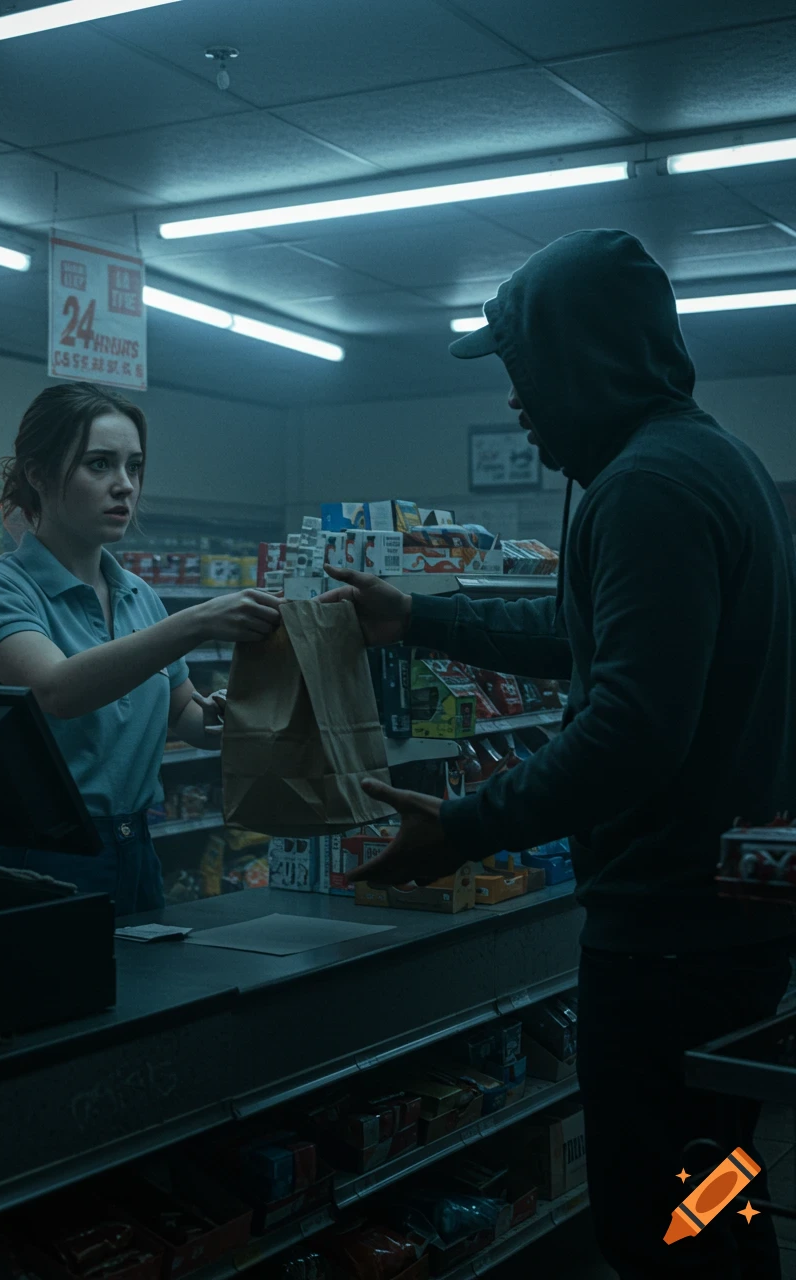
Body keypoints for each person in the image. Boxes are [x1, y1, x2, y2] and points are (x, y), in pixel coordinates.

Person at [321, 230, 796, 1280]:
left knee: (652, 1213)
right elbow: (589, 633)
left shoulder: (645, 487)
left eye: (522, 371)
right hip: (725, 924)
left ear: (579, 359)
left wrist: (460, 827)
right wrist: (424, 620)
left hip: (667, 940)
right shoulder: (708, 460)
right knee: (710, 1170)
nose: (516, 403)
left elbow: (628, 726)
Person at [0, 381, 281, 916]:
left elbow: (189, 718)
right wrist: (198, 622)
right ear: (38, 475)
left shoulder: (140, 596)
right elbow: (56, 690)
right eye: (100, 464)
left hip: (138, 847)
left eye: (133, 467)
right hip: (45, 856)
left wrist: (248, 708)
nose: (124, 486)